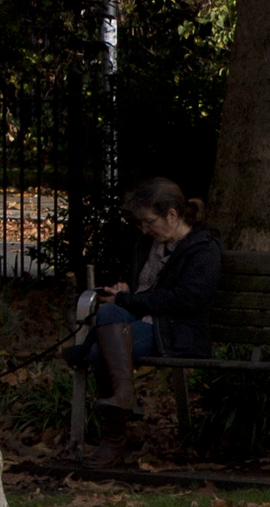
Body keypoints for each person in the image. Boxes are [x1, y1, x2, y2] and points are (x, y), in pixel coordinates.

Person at [84, 177, 222, 417]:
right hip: (141, 317)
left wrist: (129, 299)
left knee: (99, 352)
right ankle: (125, 398)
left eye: (149, 221)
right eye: (141, 223)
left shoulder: (203, 249)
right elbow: (146, 287)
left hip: (173, 328)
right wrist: (128, 290)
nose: (145, 229)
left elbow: (184, 300)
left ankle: (114, 435)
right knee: (107, 310)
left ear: (171, 215)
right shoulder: (149, 244)